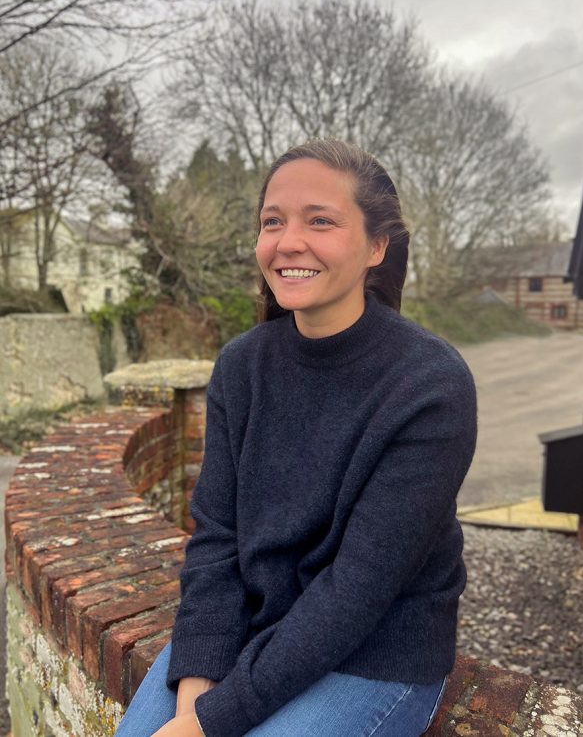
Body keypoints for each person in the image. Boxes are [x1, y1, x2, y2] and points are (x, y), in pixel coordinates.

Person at [115, 138, 477, 737]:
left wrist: (212, 724)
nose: (288, 241)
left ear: (376, 246)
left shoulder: (431, 385)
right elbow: (218, 538)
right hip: (254, 629)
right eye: (273, 221)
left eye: (321, 221)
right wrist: (197, 691)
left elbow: (357, 593)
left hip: (374, 654)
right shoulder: (240, 366)